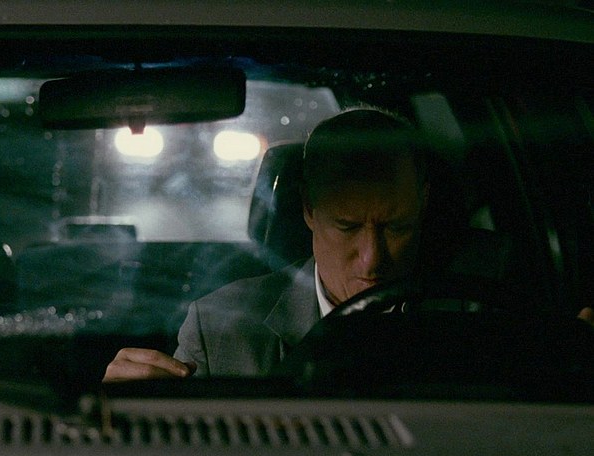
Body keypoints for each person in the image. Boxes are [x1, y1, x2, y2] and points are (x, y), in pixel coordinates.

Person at [102, 107, 593, 383]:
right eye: (347, 226)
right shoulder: (223, 328)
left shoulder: (495, 303)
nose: (373, 259)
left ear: (424, 202)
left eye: (396, 226)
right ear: (308, 210)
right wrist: (127, 415)